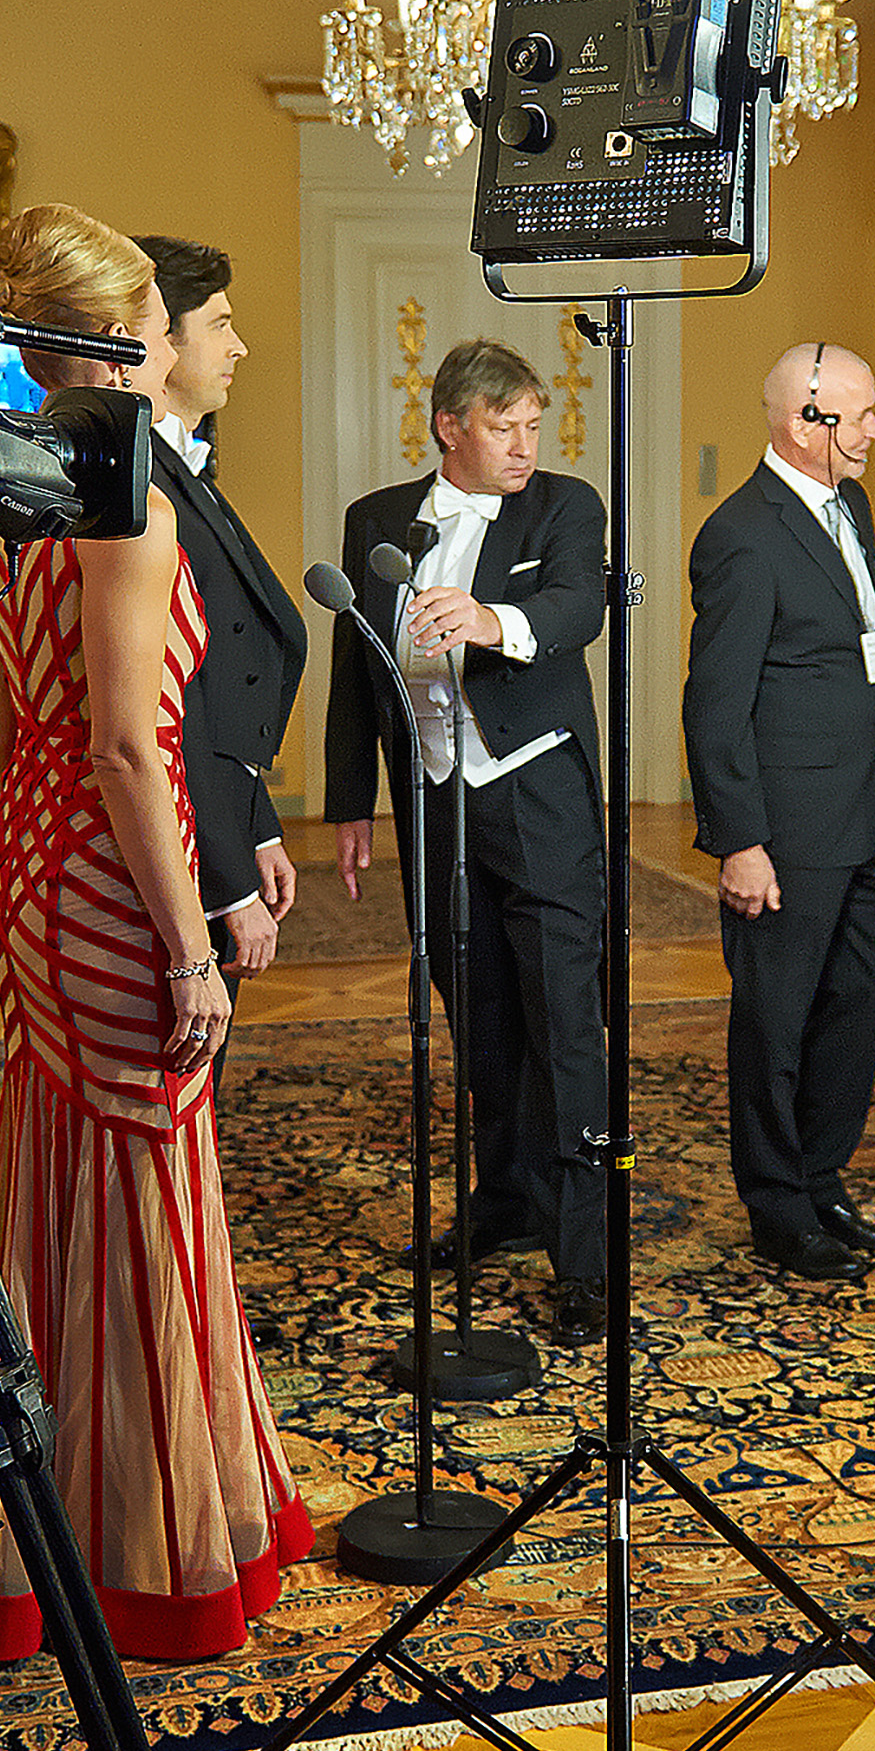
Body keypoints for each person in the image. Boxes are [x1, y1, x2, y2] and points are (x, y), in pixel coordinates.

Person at [0, 203, 308, 1663]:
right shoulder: (124, 499)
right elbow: (132, 749)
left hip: (32, 864)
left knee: (48, 1186)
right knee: (138, 1198)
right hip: (116, 882)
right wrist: (190, 943)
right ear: (125, 336)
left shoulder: (13, 489)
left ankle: (25, 1515)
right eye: (153, 312)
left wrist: (37, 845)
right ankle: (144, 1543)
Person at [324, 339, 611, 1343]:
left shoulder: (566, 507)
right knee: (478, 1009)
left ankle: (585, 1258)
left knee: (563, 1021)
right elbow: (355, 662)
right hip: (432, 798)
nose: (526, 445)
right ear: (449, 426)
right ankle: (506, 1200)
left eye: (533, 425)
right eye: (503, 426)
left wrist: (490, 617)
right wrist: (351, 802)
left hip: (537, 792)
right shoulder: (376, 520)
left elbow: (578, 605)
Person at [684, 342, 875, 1283]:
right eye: (860, 416)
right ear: (803, 424)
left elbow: (862, 662)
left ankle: (821, 1177)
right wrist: (740, 841)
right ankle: (777, 1205)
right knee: (776, 1021)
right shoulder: (741, 534)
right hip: (786, 830)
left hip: (866, 814)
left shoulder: (850, 505)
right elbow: (714, 704)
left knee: (854, 1008)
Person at [133, 236, 303, 984]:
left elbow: (228, 673)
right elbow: (179, 698)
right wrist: (228, 883)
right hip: (174, 842)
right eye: (220, 325)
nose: (239, 346)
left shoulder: (183, 465)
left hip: (220, 819)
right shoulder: (142, 483)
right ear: (162, 341)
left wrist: (257, 826)